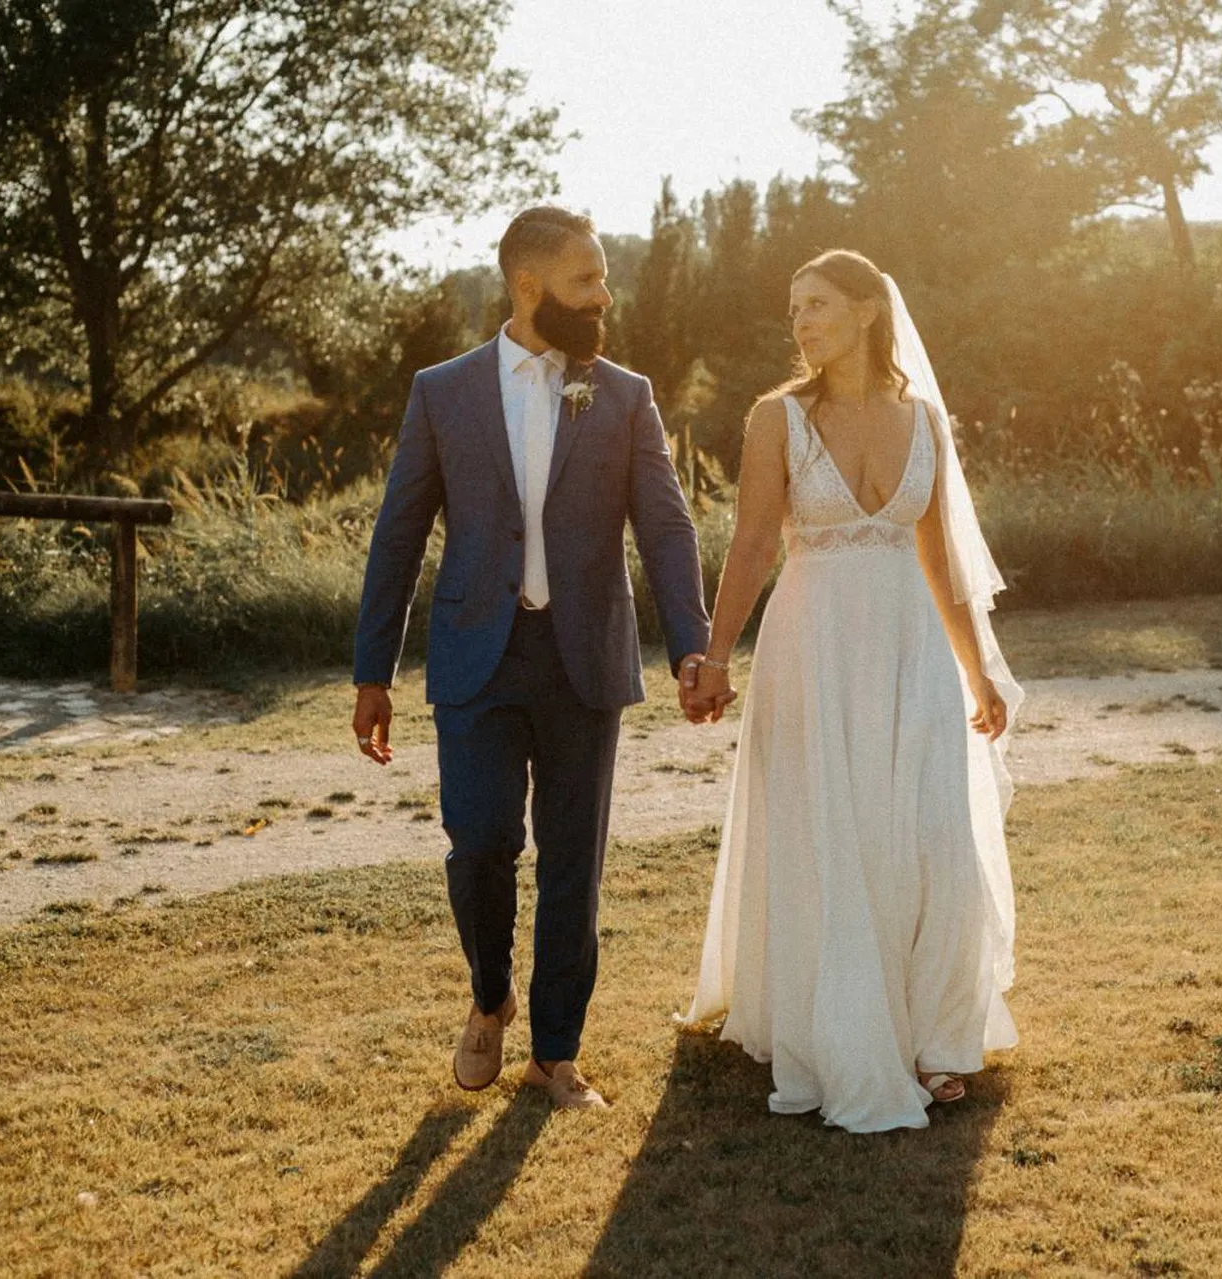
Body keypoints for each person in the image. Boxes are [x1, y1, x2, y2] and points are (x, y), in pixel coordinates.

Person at [351, 206, 712, 1110]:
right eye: (586, 279)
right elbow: (399, 534)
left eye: (602, 277)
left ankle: (555, 1054)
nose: (604, 295)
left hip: (585, 658)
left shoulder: (624, 395)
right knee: (479, 844)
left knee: (572, 862)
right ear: (528, 285)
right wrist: (372, 670)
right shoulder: (443, 391)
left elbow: (666, 527)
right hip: (476, 655)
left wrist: (692, 646)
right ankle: (489, 994)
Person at [681, 249, 1022, 1132]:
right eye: (795, 308)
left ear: (869, 310)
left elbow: (939, 556)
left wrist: (977, 666)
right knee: (835, 828)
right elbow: (754, 544)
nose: (802, 322)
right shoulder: (777, 418)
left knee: (934, 836)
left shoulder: (925, 420)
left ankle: (937, 1036)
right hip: (815, 643)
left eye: (819, 303)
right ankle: (845, 1029)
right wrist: (715, 657)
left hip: (913, 645)